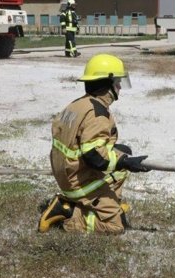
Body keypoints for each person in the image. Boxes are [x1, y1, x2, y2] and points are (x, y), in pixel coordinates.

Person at [38, 54, 150, 234]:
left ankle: (109, 203)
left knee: (122, 153)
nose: (119, 86)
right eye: (117, 82)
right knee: (116, 227)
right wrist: (125, 162)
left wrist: (123, 157)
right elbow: (94, 157)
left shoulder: (78, 104)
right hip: (78, 180)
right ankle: (69, 213)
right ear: (107, 84)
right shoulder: (97, 115)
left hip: (65, 170)